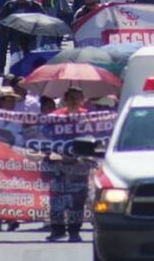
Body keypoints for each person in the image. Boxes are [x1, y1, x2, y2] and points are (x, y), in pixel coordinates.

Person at [47, 87, 88, 242]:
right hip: (59, 165)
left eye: (77, 98)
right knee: (57, 199)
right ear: (64, 99)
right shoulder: (54, 117)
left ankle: (74, 231)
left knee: (77, 200)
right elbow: (45, 137)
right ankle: (57, 230)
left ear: (82, 99)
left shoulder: (89, 117)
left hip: (80, 166)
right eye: (70, 97)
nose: (73, 101)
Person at [0, 0, 45, 77]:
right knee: (10, 52)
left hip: (29, 34)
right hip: (13, 34)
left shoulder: (33, 5)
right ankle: (1, 68)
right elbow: (2, 20)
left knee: (29, 53)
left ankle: (30, 70)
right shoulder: (10, 5)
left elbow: (43, 18)